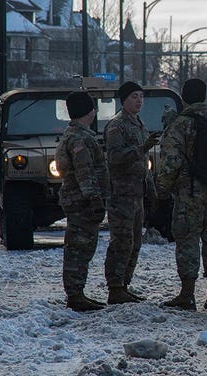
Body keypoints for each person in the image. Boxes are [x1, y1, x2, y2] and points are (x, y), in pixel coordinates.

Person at [156, 78, 207, 311]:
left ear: (184, 98)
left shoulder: (181, 123)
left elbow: (172, 160)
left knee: (187, 238)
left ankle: (187, 294)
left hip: (190, 191)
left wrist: (162, 190)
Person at [104, 81, 160, 304]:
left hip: (137, 193)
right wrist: (142, 148)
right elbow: (115, 159)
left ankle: (124, 285)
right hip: (122, 194)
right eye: (134, 96)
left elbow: (144, 163)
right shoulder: (117, 125)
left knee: (135, 242)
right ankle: (115, 287)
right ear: (124, 100)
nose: (138, 101)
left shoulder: (138, 124)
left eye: (141, 96)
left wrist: (152, 190)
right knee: (122, 242)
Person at [55, 91, 109, 312]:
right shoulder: (81, 138)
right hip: (82, 202)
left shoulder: (73, 134)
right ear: (90, 111)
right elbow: (84, 171)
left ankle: (77, 293)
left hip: (77, 200)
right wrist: (94, 199)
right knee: (79, 248)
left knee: (80, 247)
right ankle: (75, 296)